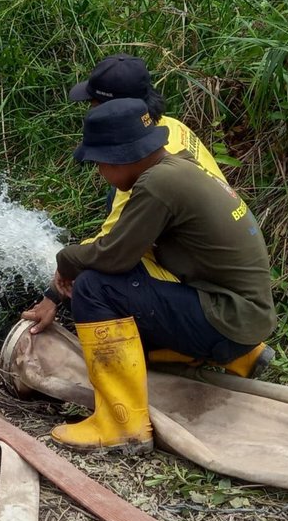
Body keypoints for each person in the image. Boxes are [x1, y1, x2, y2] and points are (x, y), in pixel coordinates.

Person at [31, 98, 277, 453]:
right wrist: (56, 291)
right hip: (242, 314)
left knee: (94, 288)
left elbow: (111, 256)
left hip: (229, 318)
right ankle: (239, 356)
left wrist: (66, 259)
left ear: (120, 157)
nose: (100, 172)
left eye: (99, 163)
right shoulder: (177, 167)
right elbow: (124, 250)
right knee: (122, 297)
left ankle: (122, 425)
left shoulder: (158, 186)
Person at [22, 53, 230, 338]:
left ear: (117, 110)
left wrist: (53, 295)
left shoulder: (151, 182)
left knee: (93, 284)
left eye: (94, 104)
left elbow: (108, 249)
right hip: (217, 270)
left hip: (212, 298)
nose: (90, 111)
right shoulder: (170, 130)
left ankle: (131, 367)